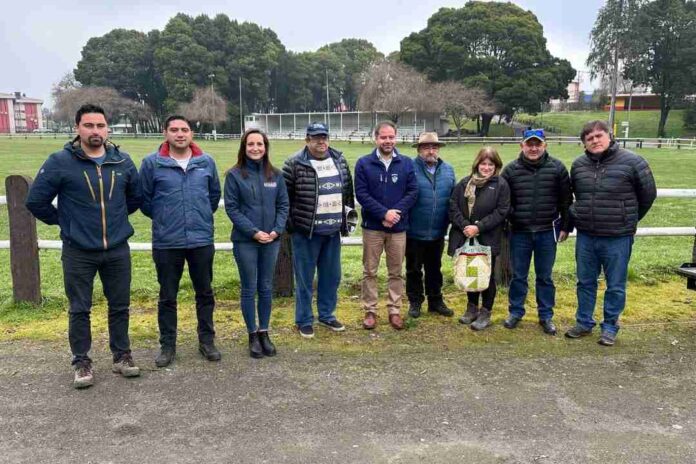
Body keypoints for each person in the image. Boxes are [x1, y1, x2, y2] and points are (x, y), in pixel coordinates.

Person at [25, 104, 141, 389]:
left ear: (107, 128)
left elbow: (135, 198)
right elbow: (35, 201)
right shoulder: (60, 162)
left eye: (100, 126)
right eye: (89, 126)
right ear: (78, 128)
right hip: (78, 251)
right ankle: (81, 361)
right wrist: (67, 224)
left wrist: (115, 222)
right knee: (79, 308)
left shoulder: (122, 162)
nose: (95, 131)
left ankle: (121, 355)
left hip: (116, 249)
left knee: (120, 305)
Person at [139, 115, 222, 367]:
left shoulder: (206, 162)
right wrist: (166, 218)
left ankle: (206, 341)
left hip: (201, 239)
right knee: (167, 296)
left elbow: (213, 195)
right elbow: (144, 200)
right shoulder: (152, 164)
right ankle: (168, 345)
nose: (179, 134)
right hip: (167, 241)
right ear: (166, 133)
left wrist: (198, 218)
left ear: (191, 133)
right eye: (174, 130)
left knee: (205, 293)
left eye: (184, 129)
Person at [565, 120, 656, 346]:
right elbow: (574, 197)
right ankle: (584, 322)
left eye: (599, 136)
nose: (595, 141)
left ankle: (610, 326)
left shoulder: (633, 162)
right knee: (585, 282)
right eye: (589, 138)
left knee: (615, 284)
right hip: (587, 235)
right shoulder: (578, 166)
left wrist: (628, 219)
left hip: (618, 236)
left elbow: (648, 195)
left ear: (609, 135)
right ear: (584, 143)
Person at [282, 122, 354, 338]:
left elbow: (347, 193)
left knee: (331, 277)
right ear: (307, 140)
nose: (320, 141)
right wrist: (293, 226)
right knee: (304, 279)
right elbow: (284, 200)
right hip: (306, 233)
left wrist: (346, 222)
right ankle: (304, 319)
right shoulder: (294, 163)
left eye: (324, 137)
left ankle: (327, 315)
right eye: (315, 137)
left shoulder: (339, 160)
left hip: (332, 232)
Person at [501, 128, 572, 336]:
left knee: (545, 277)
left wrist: (566, 226)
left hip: (546, 232)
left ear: (544, 145)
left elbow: (566, 200)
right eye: (529, 144)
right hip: (520, 232)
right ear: (521, 145)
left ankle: (546, 315)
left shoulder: (557, 168)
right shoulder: (511, 170)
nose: (533, 148)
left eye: (537, 144)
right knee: (518, 276)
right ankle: (515, 312)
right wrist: (512, 218)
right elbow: (504, 201)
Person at [225, 129, 289, 357]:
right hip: (246, 241)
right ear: (244, 147)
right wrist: (253, 232)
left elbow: (283, 206)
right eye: (250, 144)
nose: (255, 148)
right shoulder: (234, 175)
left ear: (265, 147)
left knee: (266, 287)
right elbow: (232, 209)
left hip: (271, 240)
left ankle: (264, 332)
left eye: (259, 144)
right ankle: (252, 334)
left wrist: (275, 230)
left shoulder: (276, 175)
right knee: (249, 288)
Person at [355, 121, 418, 330]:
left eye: (391, 137)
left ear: (396, 138)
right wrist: (383, 213)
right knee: (370, 271)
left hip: (398, 228)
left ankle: (394, 310)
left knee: (396, 271)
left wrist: (394, 214)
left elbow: (412, 192)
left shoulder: (406, 163)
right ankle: (370, 310)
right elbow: (362, 194)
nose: (388, 141)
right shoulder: (363, 163)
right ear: (376, 138)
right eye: (384, 137)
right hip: (372, 227)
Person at [448, 147, 510, 331]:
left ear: (496, 165)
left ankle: (486, 312)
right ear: (477, 164)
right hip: (466, 236)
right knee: (471, 274)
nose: (486, 167)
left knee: (487, 276)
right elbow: (452, 206)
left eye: (491, 164)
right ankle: (472, 308)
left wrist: (479, 227)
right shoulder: (465, 183)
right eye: (483, 163)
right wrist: (465, 226)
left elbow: (502, 211)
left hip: (488, 237)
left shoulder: (501, 185)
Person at [406, 132, 456, 319]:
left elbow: (453, 198)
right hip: (414, 230)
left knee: (435, 268)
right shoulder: (409, 168)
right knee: (413, 269)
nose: (430, 151)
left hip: (438, 230)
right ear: (419, 150)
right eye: (426, 147)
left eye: (434, 147)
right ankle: (415, 302)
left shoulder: (448, 170)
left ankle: (435, 301)